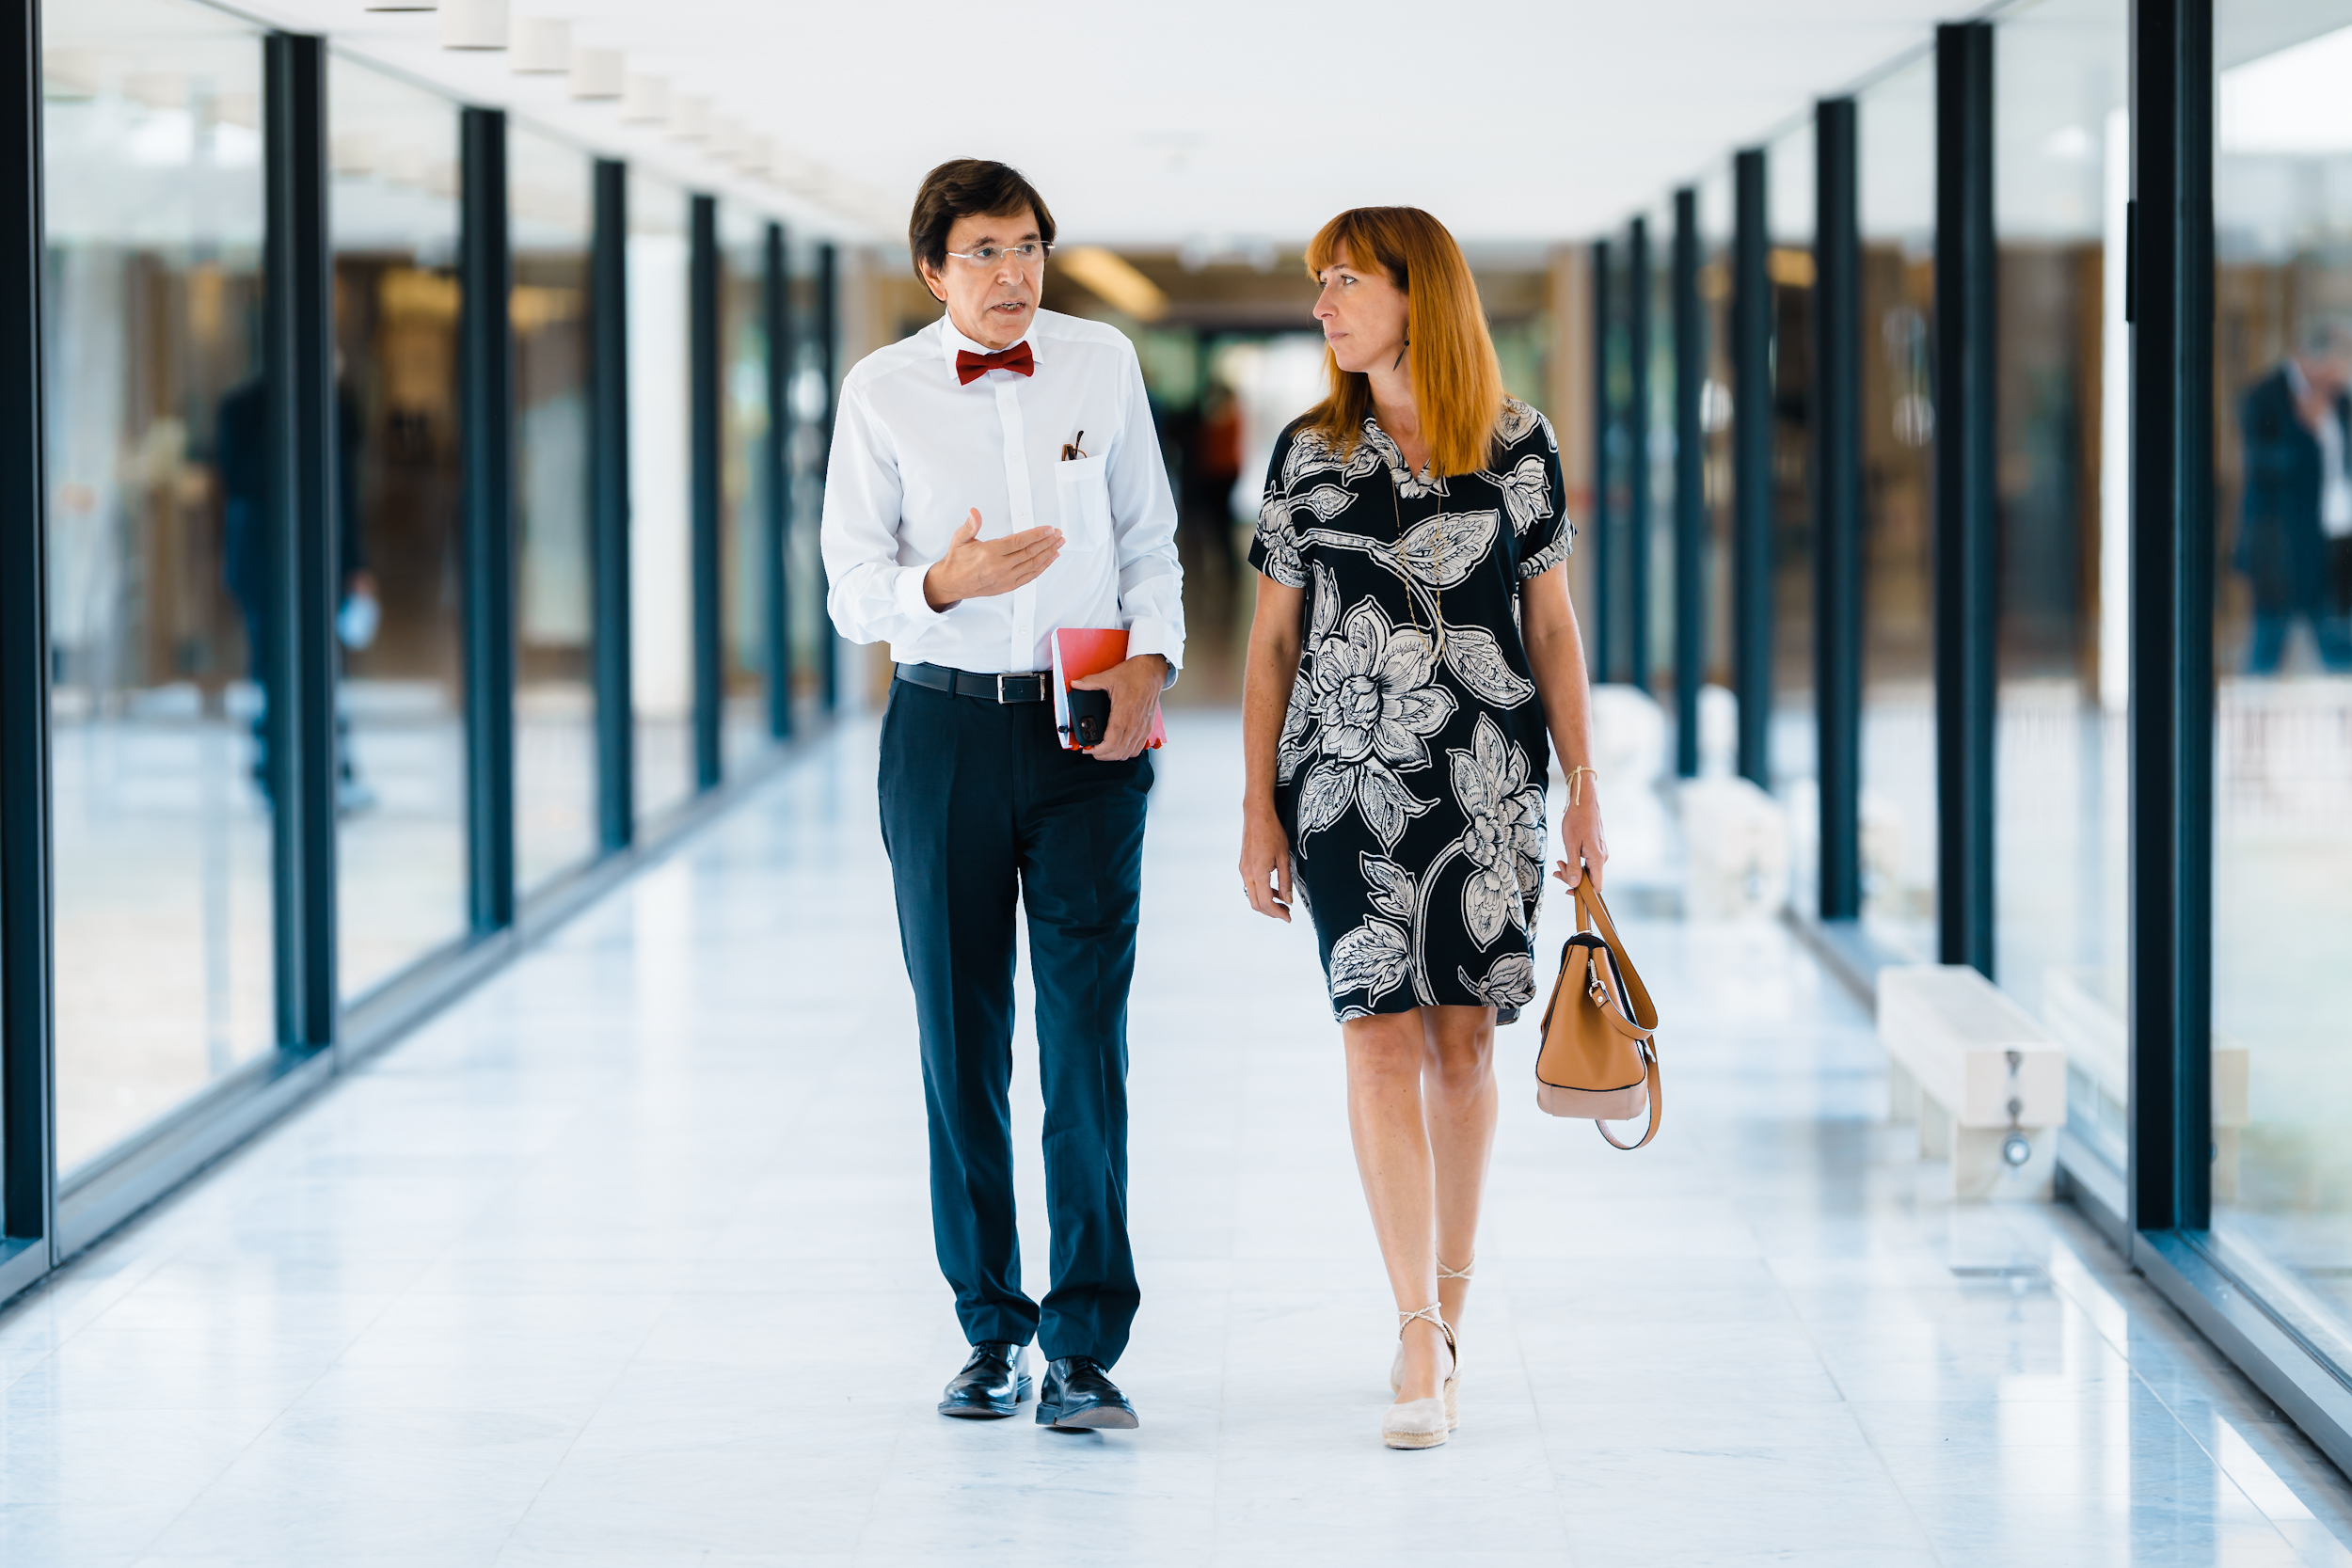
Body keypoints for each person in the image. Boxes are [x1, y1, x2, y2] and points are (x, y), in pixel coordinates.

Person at [821, 159, 1184, 1433]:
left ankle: (1086, 1341)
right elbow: (851, 585)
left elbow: (1150, 540)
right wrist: (945, 581)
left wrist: (1154, 660)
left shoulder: (1103, 363)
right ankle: (991, 1328)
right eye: (982, 251)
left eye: (1027, 247)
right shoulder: (883, 392)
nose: (1011, 273)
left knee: (1087, 1041)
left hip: (1087, 734)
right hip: (943, 733)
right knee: (961, 1043)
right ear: (934, 269)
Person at [1236, 207, 1605, 1450]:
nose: (1326, 302)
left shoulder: (1518, 446)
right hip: (1345, 781)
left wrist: (1591, 783)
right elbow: (1274, 643)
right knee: (1374, 1037)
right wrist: (1255, 807)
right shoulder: (1308, 452)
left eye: (1347, 280)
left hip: (1491, 782)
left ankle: (1449, 1309)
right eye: (1319, 282)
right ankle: (1410, 1326)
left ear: (1419, 295)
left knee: (1461, 1048)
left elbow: (1549, 629)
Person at [2234, 317, 2352, 674]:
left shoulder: (2340, 403)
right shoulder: (2264, 397)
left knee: (2338, 642)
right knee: (2268, 643)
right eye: (2335, 363)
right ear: (2310, 359)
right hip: (2279, 545)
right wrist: (2309, 433)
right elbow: (2266, 465)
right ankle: (2244, 724)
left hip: (2333, 543)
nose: (2338, 373)